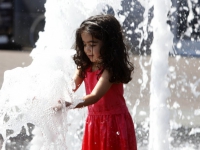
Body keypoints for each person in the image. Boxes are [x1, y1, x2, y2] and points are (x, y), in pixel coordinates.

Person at [70, 14, 137, 150]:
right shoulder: (84, 66)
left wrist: (68, 104)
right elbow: (70, 87)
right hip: (94, 123)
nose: (87, 49)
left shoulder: (110, 69)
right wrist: (53, 99)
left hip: (113, 124)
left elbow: (95, 97)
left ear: (108, 45)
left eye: (93, 44)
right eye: (84, 44)